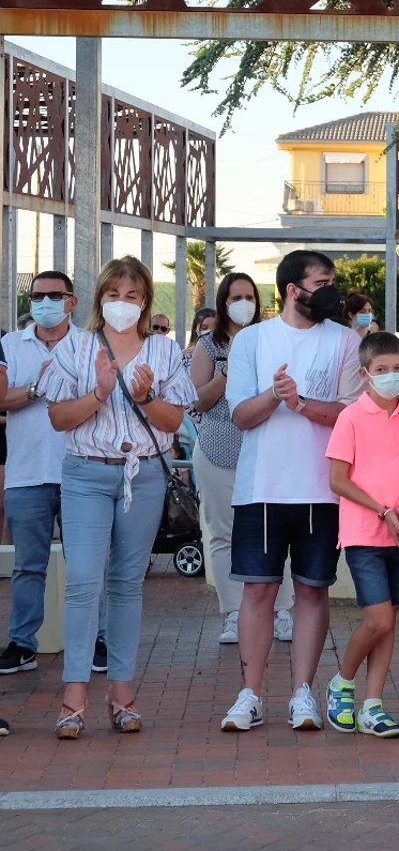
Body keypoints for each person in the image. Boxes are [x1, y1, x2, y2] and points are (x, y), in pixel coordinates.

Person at [44, 257, 197, 737]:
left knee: (128, 584)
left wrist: (148, 398)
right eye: (113, 295)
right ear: (99, 300)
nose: (122, 304)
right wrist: (99, 392)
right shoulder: (76, 347)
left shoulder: (166, 353)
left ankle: (122, 690)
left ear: (146, 301)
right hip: (86, 474)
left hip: (145, 476)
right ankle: (74, 692)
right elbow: (58, 419)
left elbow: (175, 425)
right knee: (84, 581)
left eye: (132, 296)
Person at [218, 250, 365, 733]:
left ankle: (303, 693)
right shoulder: (253, 341)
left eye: (332, 281)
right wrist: (275, 395)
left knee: (312, 589)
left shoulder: (345, 340)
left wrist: (299, 402)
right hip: (260, 488)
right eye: (321, 282)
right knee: (258, 590)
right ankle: (251, 694)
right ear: (292, 290)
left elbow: (348, 413)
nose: (330, 290)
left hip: (320, 488)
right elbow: (240, 415)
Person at [323, 331, 399, 736]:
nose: (391, 375)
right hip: (362, 533)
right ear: (365, 374)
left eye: (398, 368)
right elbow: (337, 479)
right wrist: (381, 510)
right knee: (378, 619)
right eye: (382, 370)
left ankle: (373, 705)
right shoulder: (350, 417)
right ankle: (342, 683)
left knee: (391, 621)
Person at [188, 273, 294, 647]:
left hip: (267, 449)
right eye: (236, 297)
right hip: (218, 449)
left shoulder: (272, 339)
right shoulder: (207, 344)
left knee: (275, 532)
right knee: (223, 533)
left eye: (250, 296)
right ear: (223, 301)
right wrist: (229, 368)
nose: (244, 303)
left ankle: (282, 612)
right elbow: (198, 400)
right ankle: (233, 613)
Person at [1, 272, 78, 677]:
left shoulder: (87, 343)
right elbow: (1, 397)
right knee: (29, 565)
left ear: (71, 302)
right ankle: (22, 644)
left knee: (86, 564)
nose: (44, 301)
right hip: (27, 474)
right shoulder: (11, 344)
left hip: (80, 472)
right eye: (37, 296)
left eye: (53, 295)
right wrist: (36, 388)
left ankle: (95, 639)